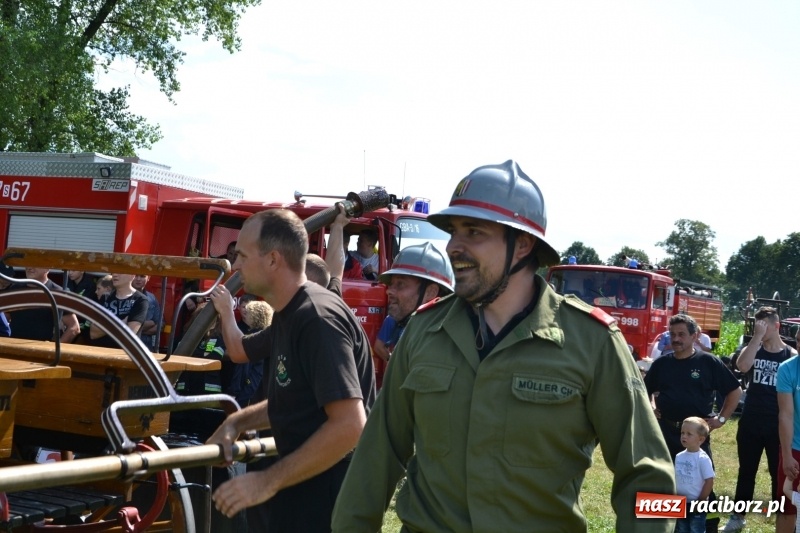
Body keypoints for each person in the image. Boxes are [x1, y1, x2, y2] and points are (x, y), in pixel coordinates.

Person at [332, 160, 675, 532]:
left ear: (523, 244)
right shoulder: (423, 332)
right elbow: (376, 456)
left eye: (474, 232)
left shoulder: (592, 342)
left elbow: (649, 474)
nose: (453, 248)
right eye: (453, 232)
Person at [206, 209, 374, 531]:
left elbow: (350, 425)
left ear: (272, 260)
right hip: (306, 483)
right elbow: (299, 400)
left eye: (241, 254)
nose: (236, 265)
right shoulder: (291, 313)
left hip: (328, 492)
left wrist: (266, 481)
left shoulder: (316, 319)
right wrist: (237, 421)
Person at [721, 306, 794, 533]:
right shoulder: (753, 349)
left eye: (765, 325)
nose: (760, 329)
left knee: (777, 472)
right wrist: (757, 338)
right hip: (751, 420)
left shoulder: (789, 355)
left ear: (777, 326)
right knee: (747, 470)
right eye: (757, 325)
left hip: (777, 423)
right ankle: (738, 516)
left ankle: (780, 516)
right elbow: (741, 366)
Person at [645, 314, 741, 459]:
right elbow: (643, 391)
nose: (676, 339)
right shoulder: (661, 364)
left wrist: (721, 419)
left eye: (681, 334)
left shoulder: (708, 362)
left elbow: (735, 390)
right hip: (665, 433)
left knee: (696, 480)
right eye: (673, 334)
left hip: (696, 436)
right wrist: (651, 407)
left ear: (694, 336)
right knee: (663, 479)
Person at [372, 242, 454, 362]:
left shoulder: (439, 343)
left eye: (400, 284)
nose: (389, 291)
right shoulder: (408, 328)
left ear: (431, 292)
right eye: (391, 284)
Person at [8, 267, 80, 343]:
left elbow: (74, 327)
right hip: (14, 349)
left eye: (35, 264)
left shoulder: (58, 293)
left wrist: (53, 349)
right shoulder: (15, 290)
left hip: (41, 352)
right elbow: (5, 317)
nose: (29, 267)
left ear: (47, 268)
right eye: (27, 263)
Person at [776, 325, 800, 533]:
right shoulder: (787, 368)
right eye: (799, 341)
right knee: (787, 507)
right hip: (795, 447)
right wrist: (786, 455)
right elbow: (786, 414)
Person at [675, 417, 715, 533]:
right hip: (681, 503)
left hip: (697, 504)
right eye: (682, 433)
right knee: (682, 528)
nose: (684, 436)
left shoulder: (702, 459)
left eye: (689, 434)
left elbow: (709, 480)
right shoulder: (679, 457)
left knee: (696, 529)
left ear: (701, 439)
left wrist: (701, 500)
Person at [89, 273, 149, 348]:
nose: (114, 275)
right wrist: (122, 322)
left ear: (132, 275)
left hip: (122, 355)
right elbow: (93, 333)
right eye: (114, 272)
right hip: (99, 351)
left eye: (120, 272)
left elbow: (129, 336)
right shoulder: (105, 297)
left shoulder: (140, 300)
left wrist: (104, 326)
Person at [132, 274, 163, 352]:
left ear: (148, 278)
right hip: (128, 347)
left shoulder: (151, 298)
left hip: (146, 349)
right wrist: (148, 325)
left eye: (142, 276)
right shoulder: (123, 296)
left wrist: (136, 329)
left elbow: (161, 324)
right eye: (135, 276)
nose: (138, 279)